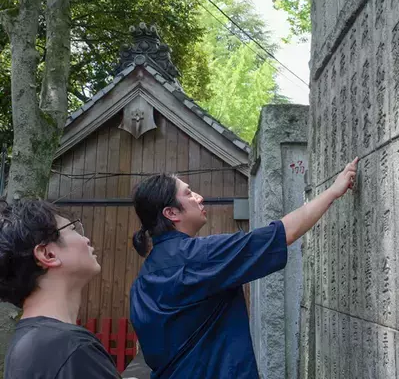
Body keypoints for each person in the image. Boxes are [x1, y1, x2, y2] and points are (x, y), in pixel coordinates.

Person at [129, 157, 358, 378]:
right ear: (171, 213)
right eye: (188, 193)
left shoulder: (141, 283)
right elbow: (282, 233)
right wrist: (333, 191)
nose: (199, 197)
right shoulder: (201, 256)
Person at [0, 200, 121, 378]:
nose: (86, 239)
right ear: (48, 254)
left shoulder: (25, 344)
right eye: (73, 229)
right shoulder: (73, 350)